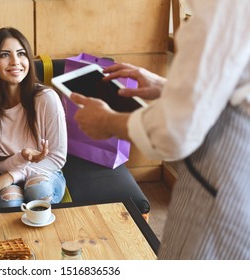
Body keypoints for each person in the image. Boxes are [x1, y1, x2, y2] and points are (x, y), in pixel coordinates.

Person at [70, 0, 250, 259]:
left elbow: (176, 130)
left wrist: (108, 122)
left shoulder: (224, 8)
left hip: (222, 195)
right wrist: (167, 86)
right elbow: (227, 90)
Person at [0, 27, 67, 208]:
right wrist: (22, 156)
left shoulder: (46, 98)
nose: (15, 61)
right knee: (10, 199)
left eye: (21, 53)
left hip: (44, 172)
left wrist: (13, 176)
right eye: (5, 55)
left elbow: (56, 159)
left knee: (38, 190)